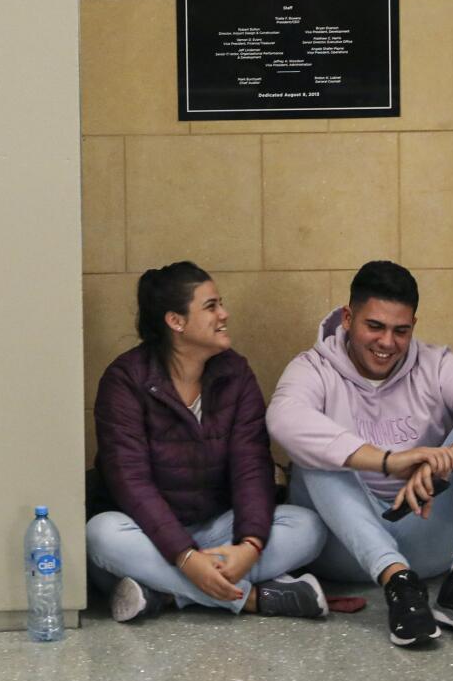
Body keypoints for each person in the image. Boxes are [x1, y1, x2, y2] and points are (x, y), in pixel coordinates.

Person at [268, 260, 453, 648]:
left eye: (400, 330)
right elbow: (282, 420)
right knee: (316, 452)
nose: (387, 343)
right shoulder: (313, 367)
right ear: (347, 318)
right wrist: (388, 461)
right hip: (346, 549)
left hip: (424, 533)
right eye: (374, 326)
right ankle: (398, 584)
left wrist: (449, 457)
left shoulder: (433, 364)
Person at [87, 262, 329, 621]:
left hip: (216, 527)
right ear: (176, 321)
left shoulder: (235, 374)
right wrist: (185, 557)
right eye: (211, 306)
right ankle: (254, 599)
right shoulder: (125, 381)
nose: (224, 314)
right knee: (101, 534)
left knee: (308, 527)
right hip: (145, 534)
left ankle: (163, 595)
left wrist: (249, 546)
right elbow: (131, 483)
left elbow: (252, 468)